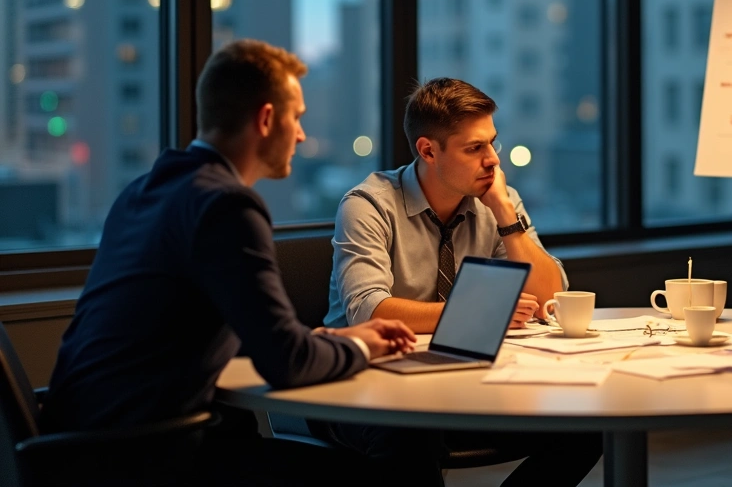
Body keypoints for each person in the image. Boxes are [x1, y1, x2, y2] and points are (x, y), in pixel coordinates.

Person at [38, 39, 416, 484]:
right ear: (267, 118)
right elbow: (287, 364)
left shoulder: (148, 190)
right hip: (146, 454)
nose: (300, 135)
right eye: (296, 117)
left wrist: (324, 337)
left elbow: (220, 325)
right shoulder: (227, 206)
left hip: (82, 440)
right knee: (383, 472)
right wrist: (362, 346)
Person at [319, 77, 601, 486]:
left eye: (492, 143)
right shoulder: (367, 205)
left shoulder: (495, 198)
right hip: (362, 391)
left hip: (460, 381)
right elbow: (369, 310)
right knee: (409, 433)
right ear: (428, 150)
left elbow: (550, 297)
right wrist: (481, 315)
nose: (493, 160)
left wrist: (506, 214)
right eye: (475, 148)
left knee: (584, 424)